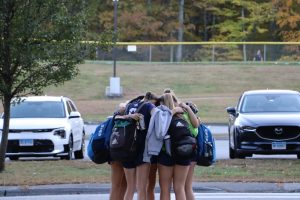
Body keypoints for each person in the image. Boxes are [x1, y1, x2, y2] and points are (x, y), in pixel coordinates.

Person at [120, 92, 157, 200]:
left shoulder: (130, 105)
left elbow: (119, 116)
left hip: (126, 147)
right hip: (142, 147)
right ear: (151, 100)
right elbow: (158, 115)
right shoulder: (149, 105)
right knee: (141, 188)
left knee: (130, 187)